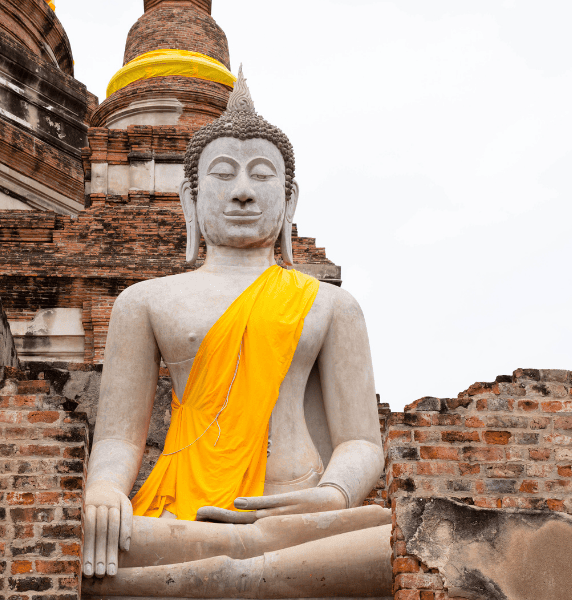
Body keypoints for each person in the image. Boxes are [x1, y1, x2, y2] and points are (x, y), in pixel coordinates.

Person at [82, 69, 391, 598]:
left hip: (297, 516)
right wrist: (105, 490)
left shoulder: (330, 305)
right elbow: (116, 437)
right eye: (223, 175)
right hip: (183, 513)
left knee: (392, 541)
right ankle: (248, 573)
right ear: (191, 199)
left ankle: (224, 574)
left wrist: (334, 496)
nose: (243, 193)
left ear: (290, 201)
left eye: (262, 176)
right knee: (88, 543)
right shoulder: (145, 300)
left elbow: (361, 441)